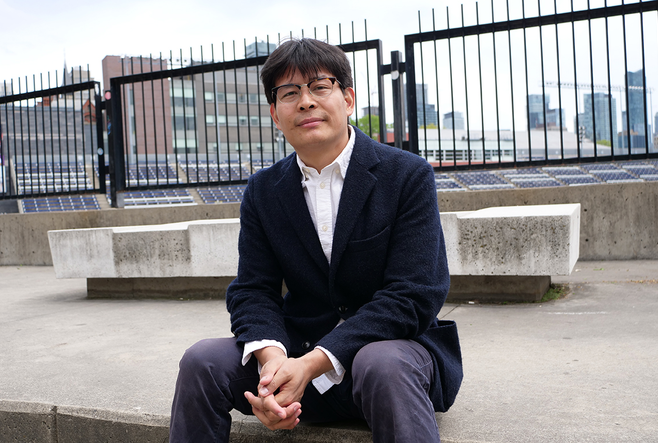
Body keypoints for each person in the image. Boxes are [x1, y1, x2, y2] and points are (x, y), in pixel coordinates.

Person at [169, 38, 462, 443]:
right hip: (296, 363)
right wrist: (274, 364)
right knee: (201, 360)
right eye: (289, 93)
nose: (305, 102)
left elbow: (414, 295)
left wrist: (311, 363)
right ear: (275, 114)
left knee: (383, 362)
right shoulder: (263, 190)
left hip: (387, 363)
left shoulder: (406, 175)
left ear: (348, 98)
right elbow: (253, 290)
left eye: (319, 87)